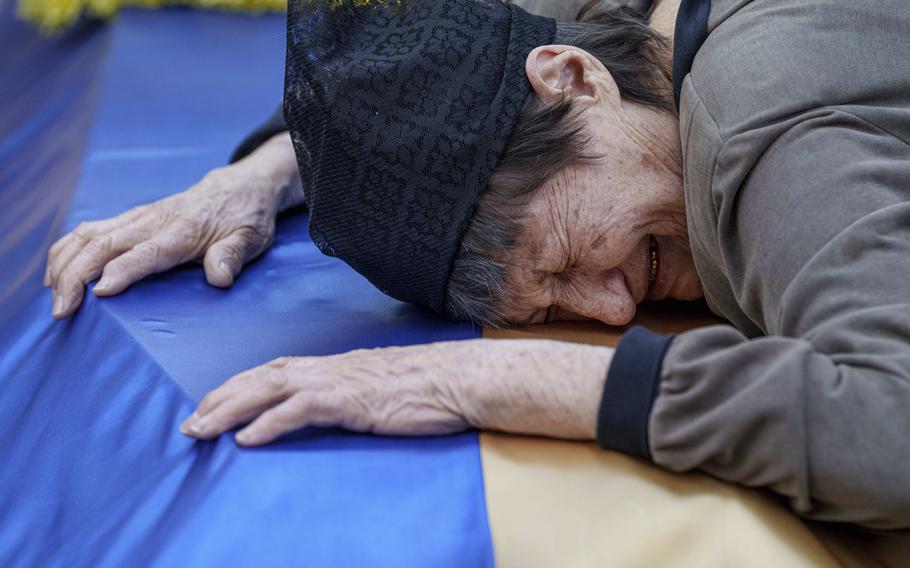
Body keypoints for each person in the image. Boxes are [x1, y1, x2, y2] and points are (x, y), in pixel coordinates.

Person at [43, 0, 910, 529]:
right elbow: (430, 60)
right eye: (547, 308)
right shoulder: (612, 42)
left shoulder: (770, 142)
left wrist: (486, 377)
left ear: (573, 77)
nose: (610, 314)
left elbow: (892, 431)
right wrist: (256, 176)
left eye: (568, 253)